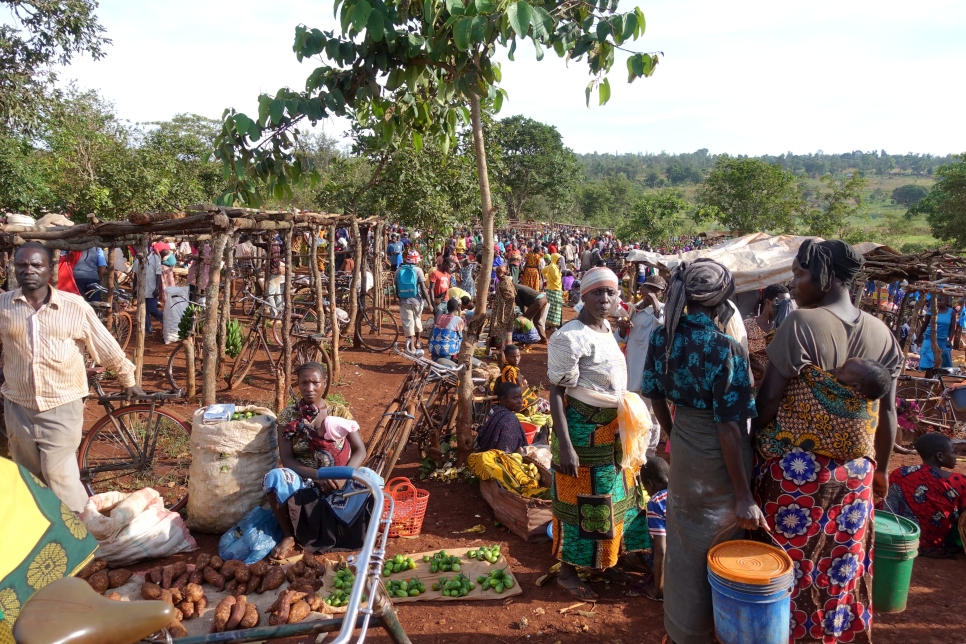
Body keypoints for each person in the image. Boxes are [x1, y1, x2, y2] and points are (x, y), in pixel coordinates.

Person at [754, 239, 902, 644]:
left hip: (797, 473)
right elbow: (886, 414)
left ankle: (782, 634)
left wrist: (749, 441)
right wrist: (883, 469)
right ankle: (831, 632)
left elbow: (769, 398)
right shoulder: (884, 334)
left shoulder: (801, 324)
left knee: (786, 562)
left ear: (827, 277)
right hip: (857, 475)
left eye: (800, 274)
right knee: (842, 562)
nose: (795, 282)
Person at [640, 258, 761, 644]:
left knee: (683, 540)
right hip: (717, 456)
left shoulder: (663, 338)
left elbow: (653, 394)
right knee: (719, 540)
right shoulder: (725, 347)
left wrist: (675, 433)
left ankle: (682, 630)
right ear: (724, 299)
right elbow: (729, 425)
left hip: (686, 449)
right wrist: (743, 495)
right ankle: (717, 631)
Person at [0, 242, 144, 512]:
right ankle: (46, 536)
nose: (28, 270)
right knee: (28, 477)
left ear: (49, 269)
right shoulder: (4, 306)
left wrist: (128, 379)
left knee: (60, 476)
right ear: (15, 268)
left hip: (62, 403)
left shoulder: (74, 306)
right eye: (22, 265)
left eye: (36, 265)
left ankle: (84, 539)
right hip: (19, 406)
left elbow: (105, 346)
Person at [546, 266, 651, 600]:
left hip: (612, 434)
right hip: (582, 432)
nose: (605, 299)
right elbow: (556, 394)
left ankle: (606, 559)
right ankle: (567, 571)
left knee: (614, 499)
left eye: (611, 292)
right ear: (583, 295)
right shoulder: (570, 336)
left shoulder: (606, 329)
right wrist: (566, 447)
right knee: (578, 502)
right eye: (597, 292)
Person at [264, 362, 369, 560]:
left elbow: (359, 451)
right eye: (304, 383)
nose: (309, 388)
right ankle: (289, 534)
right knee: (274, 478)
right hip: (304, 478)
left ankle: (354, 531)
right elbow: (287, 459)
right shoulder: (288, 415)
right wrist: (319, 477)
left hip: (338, 478)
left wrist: (343, 477)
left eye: (315, 382)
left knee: (372, 479)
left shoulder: (338, 412)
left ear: (324, 383)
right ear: (298, 384)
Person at [886, 432, 966, 558]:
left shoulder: (900, 473)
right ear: (940, 456)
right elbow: (963, 518)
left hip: (901, 535)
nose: (956, 456)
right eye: (953, 452)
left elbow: (889, 504)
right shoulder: (959, 481)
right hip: (938, 541)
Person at [616, 274, 667, 457]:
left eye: (655, 291)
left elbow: (662, 329)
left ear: (662, 293)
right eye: (648, 289)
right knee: (630, 411)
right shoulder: (633, 309)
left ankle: (649, 454)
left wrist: (654, 304)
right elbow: (620, 338)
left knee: (650, 415)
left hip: (651, 372)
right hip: (631, 368)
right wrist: (622, 329)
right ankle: (629, 450)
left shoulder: (663, 311)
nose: (650, 294)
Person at [745, 284, 790, 382]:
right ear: (768, 302)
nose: (784, 307)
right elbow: (742, 355)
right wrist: (763, 370)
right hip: (754, 383)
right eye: (780, 303)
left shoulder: (785, 326)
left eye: (787, 303)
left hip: (778, 382)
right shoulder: (748, 325)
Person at [639, 456, 669, 601]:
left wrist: (658, 590)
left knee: (641, 539)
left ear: (649, 484)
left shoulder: (656, 502)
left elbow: (661, 550)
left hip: (674, 566)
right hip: (697, 561)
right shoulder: (685, 492)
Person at [396, 250, 433, 354]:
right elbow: (423, 288)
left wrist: (400, 298)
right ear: (416, 260)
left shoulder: (399, 270)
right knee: (417, 319)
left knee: (408, 322)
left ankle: (411, 346)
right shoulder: (418, 270)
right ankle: (418, 342)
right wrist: (429, 303)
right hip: (417, 300)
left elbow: (396, 286)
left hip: (404, 300)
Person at [474, 382, 528, 453]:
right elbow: (506, 452)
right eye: (515, 398)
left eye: (520, 397)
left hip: (486, 454)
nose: (520, 401)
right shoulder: (510, 421)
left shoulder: (497, 412)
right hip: (498, 460)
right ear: (503, 400)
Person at [918, 293, 956, 377]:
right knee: (929, 359)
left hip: (942, 340)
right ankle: (927, 380)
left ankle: (936, 380)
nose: (939, 302)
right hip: (929, 338)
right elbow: (925, 324)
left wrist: (949, 340)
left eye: (941, 300)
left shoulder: (951, 312)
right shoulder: (931, 310)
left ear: (947, 301)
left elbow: (952, 328)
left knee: (940, 361)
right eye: (937, 300)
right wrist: (919, 337)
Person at [495, 344, 539, 412]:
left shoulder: (511, 367)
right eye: (513, 357)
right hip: (511, 401)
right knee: (536, 401)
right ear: (506, 357)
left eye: (518, 356)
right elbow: (511, 392)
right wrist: (524, 386)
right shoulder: (510, 370)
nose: (516, 359)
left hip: (514, 396)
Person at [132, 247, 164, 333]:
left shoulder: (155, 258)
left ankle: (165, 319)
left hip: (152, 289)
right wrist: (134, 288)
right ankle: (147, 329)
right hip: (141, 288)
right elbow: (135, 274)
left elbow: (158, 274)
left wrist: (157, 288)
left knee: (152, 309)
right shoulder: (136, 259)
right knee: (143, 309)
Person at [488, 265, 517, 351]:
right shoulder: (506, 279)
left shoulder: (504, 282)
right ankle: (505, 347)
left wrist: (502, 302)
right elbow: (514, 292)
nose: (496, 274)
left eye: (498, 272)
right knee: (505, 326)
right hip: (505, 307)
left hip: (503, 309)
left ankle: (502, 348)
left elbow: (511, 296)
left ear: (502, 273)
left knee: (500, 326)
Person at [543, 252, 564, 331]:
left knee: (550, 307)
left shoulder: (550, 266)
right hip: (555, 289)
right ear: (555, 259)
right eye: (558, 259)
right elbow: (556, 278)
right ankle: (553, 325)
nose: (559, 261)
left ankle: (549, 324)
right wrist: (560, 272)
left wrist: (547, 278)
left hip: (551, 288)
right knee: (555, 308)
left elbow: (543, 271)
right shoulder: (553, 267)